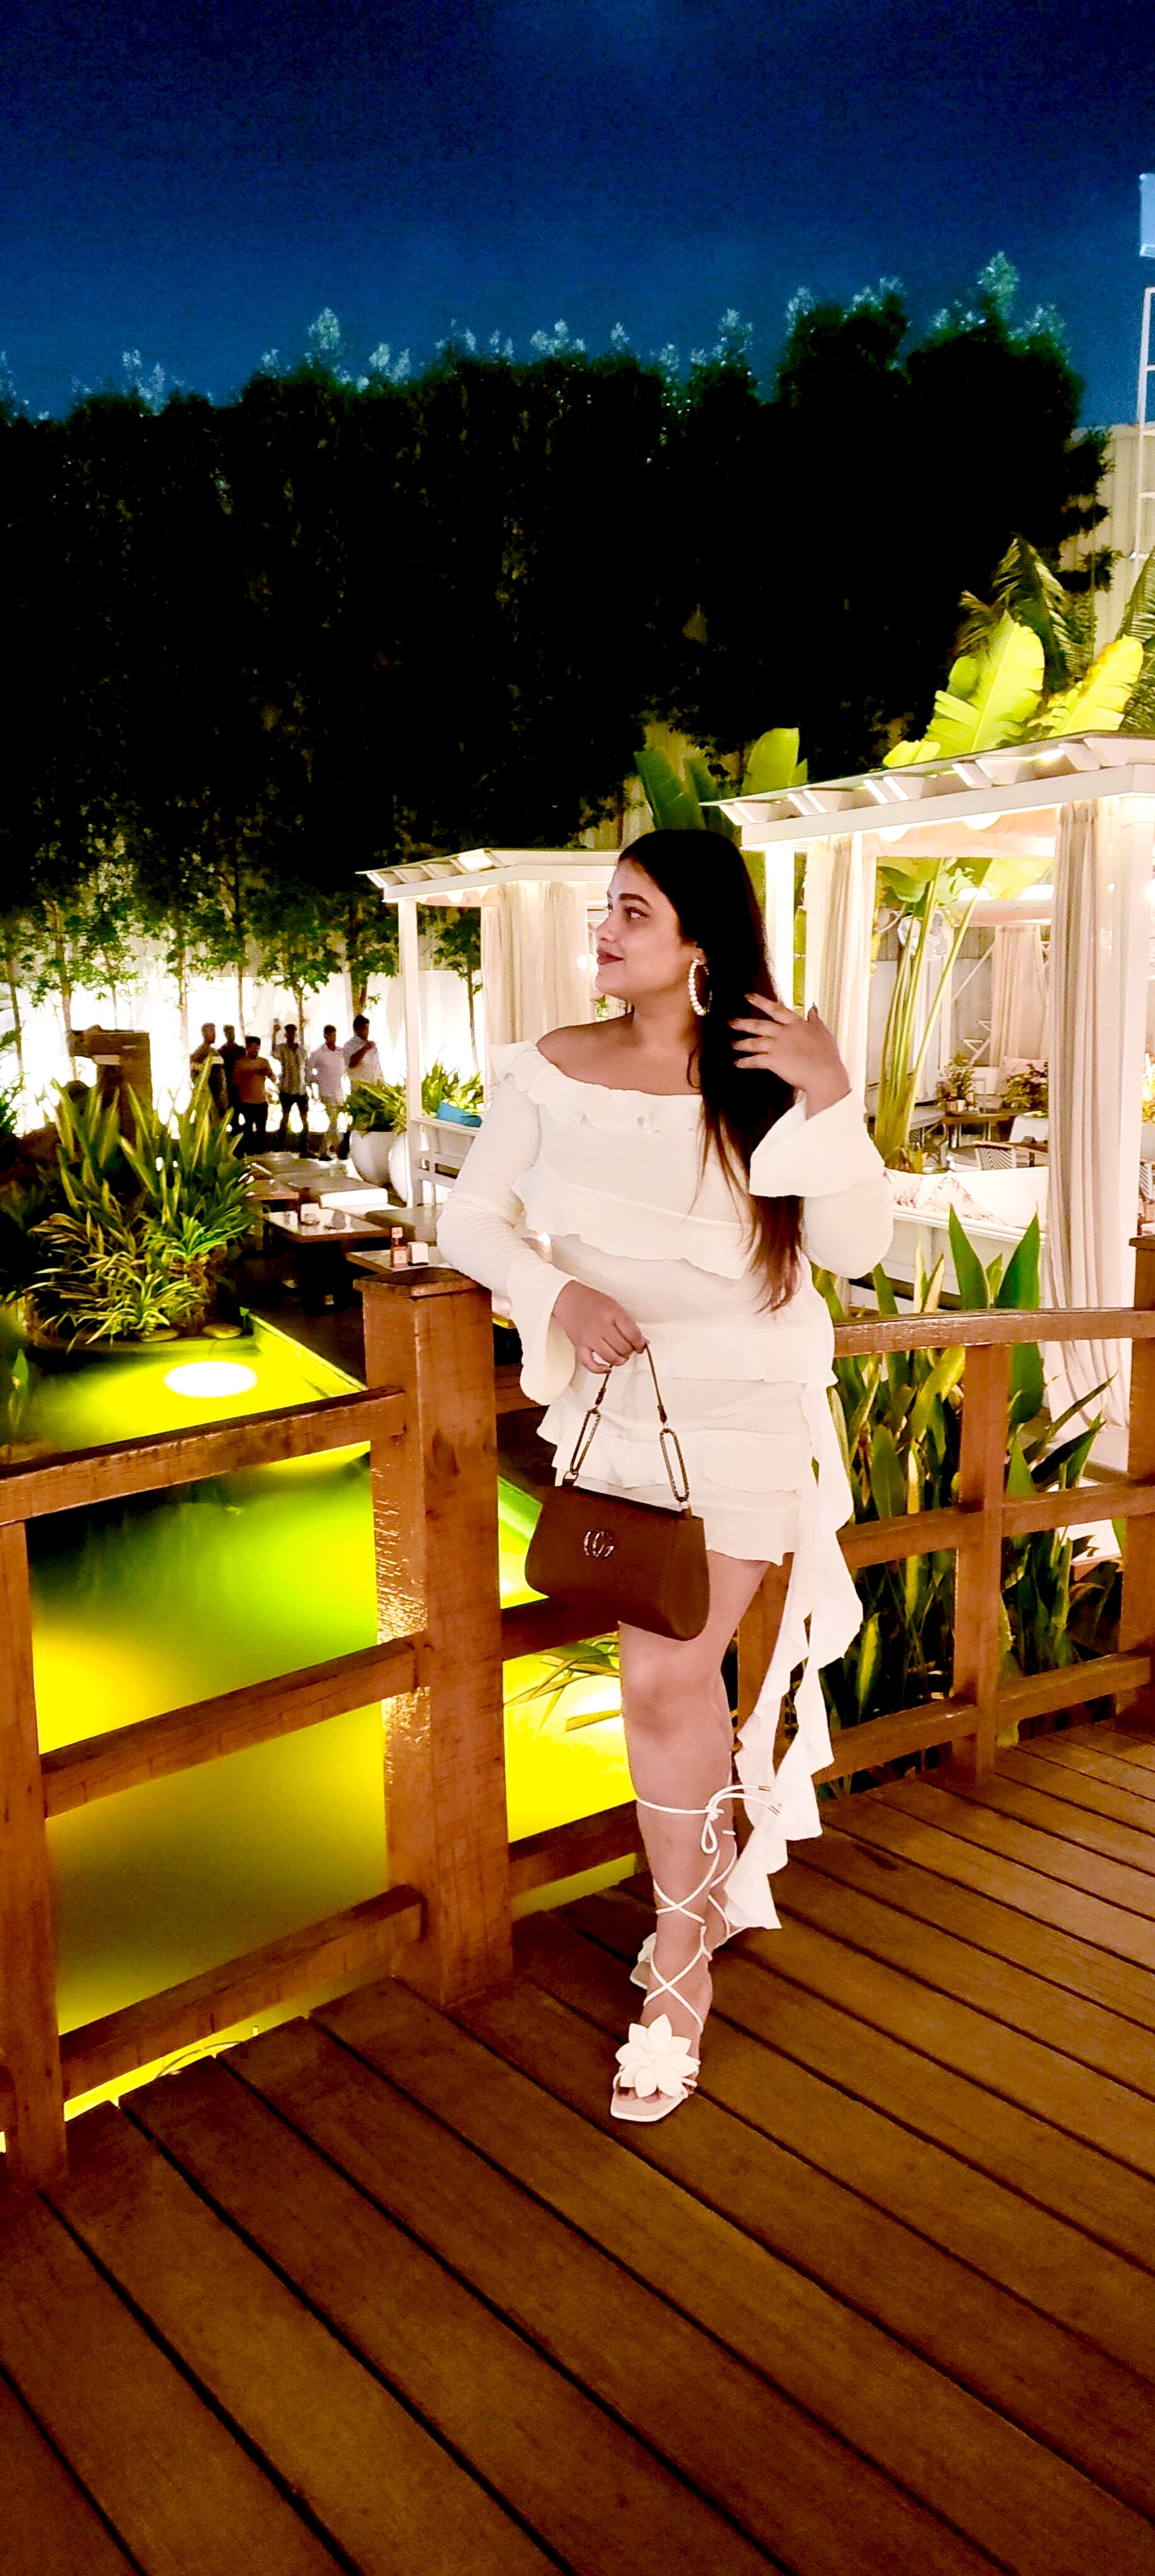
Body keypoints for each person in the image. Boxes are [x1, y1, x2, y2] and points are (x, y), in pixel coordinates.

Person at [438, 830, 891, 2125]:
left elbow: (854, 1248)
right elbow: (469, 1218)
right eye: (606, 908)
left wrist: (830, 1094)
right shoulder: (548, 1068)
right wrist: (553, 1291)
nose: (606, 928)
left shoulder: (762, 1071)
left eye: (633, 911)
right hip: (619, 1410)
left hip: (744, 1409)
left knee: (663, 1674)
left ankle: (680, 1957)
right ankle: (702, 1890)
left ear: (700, 939)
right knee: (670, 1678)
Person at [307, 1023, 347, 1158]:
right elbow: (308, 1070)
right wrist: (316, 1080)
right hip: (326, 1091)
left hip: (338, 1090)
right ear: (325, 1036)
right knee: (333, 1120)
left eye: (334, 1035)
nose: (332, 1038)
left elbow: (343, 1068)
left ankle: (334, 1148)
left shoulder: (340, 1052)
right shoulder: (318, 1053)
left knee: (334, 1122)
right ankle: (328, 1150)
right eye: (330, 1035)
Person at [233, 1035, 275, 1155]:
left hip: (261, 1101)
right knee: (248, 1128)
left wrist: (268, 1073)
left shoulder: (264, 1062)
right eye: (252, 1048)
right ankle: (250, 1152)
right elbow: (234, 1082)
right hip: (246, 1102)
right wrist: (247, 1075)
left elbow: (274, 1079)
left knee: (261, 1129)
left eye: (257, 1048)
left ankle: (261, 1151)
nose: (254, 1050)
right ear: (247, 1048)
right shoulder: (240, 1063)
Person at [271, 1021, 310, 1147]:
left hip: (301, 1089)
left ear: (295, 1034)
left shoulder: (302, 1051)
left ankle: (304, 1146)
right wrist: (274, 1034)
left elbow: (306, 1067)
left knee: (304, 1119)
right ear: (286, 1034)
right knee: (285, 1116)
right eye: (289, 1032)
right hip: (287, 1088)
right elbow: (273, 1052)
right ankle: (281, 1145)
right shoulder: (282, 1049)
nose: (291, 1035)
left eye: (293, 1032)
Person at [189, 1021, 227, 1118]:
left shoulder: (213, 1051)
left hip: (219, 1093)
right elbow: (193, 1068)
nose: (214, 1035)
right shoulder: (201, 1051)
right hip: (210, 1095)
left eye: (214, 1032)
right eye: (211, 1032)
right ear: (204, 1034)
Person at [343, 1014, 384, 1087]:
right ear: (356, 1029)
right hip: (360, 1088)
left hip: (375, 1087)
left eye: (368, 1029)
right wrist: (365, 1048)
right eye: (364, 1029)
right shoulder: (349, 1046)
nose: (367, 1032)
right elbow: (352, 1064)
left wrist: (382, 1082)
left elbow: (377, 1065)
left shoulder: (372, 1045)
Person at [219, 1023, 244, 1131]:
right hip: (228, 1082)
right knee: (231, 1106)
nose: (230, 1035)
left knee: (240, 1105)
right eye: (228, 1033)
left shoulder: (240, 1050)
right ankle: (234, 1126)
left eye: (232, 1033)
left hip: (240, 1083)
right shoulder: (222, 1051)